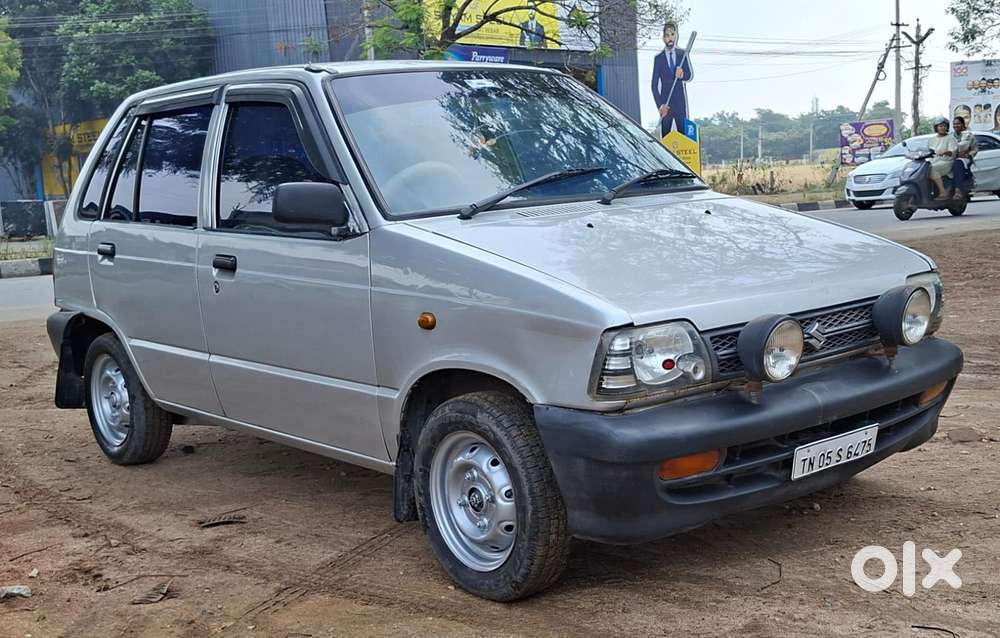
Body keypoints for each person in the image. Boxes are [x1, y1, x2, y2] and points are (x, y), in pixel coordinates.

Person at [651, 20, 694, 137]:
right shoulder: (658, 59)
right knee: (666, 137)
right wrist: (660, 105)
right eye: (667, 35)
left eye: (672, 35)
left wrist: (682, 74)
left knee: (683, 136)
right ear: (663, 38)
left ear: (676, 36)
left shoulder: (682, 54)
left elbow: (689, 75)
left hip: (680, 102)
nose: (670, 38)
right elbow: (654, 86)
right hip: (666, 105)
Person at [927, 118, 957, 201]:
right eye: (940, 126)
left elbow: (952, 151)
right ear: (936, 127)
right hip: (934, 160)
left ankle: (942, 192)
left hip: (946, 161)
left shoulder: (950, 138)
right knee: (924, 168)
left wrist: (945, 152)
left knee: (932, 169)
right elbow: (928, 151)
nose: (942, 128)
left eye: (944, 126)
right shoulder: (932, 139)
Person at [952, 115, 977, 197]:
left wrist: (968, 155)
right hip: (950, 158)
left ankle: (958, 189)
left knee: (957, 163)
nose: (956, 126)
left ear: (963, 124)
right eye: (954, 124)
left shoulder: (969, 135)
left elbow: (974, 149)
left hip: (963, 158)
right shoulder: (950, 136)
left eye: (958, 123)